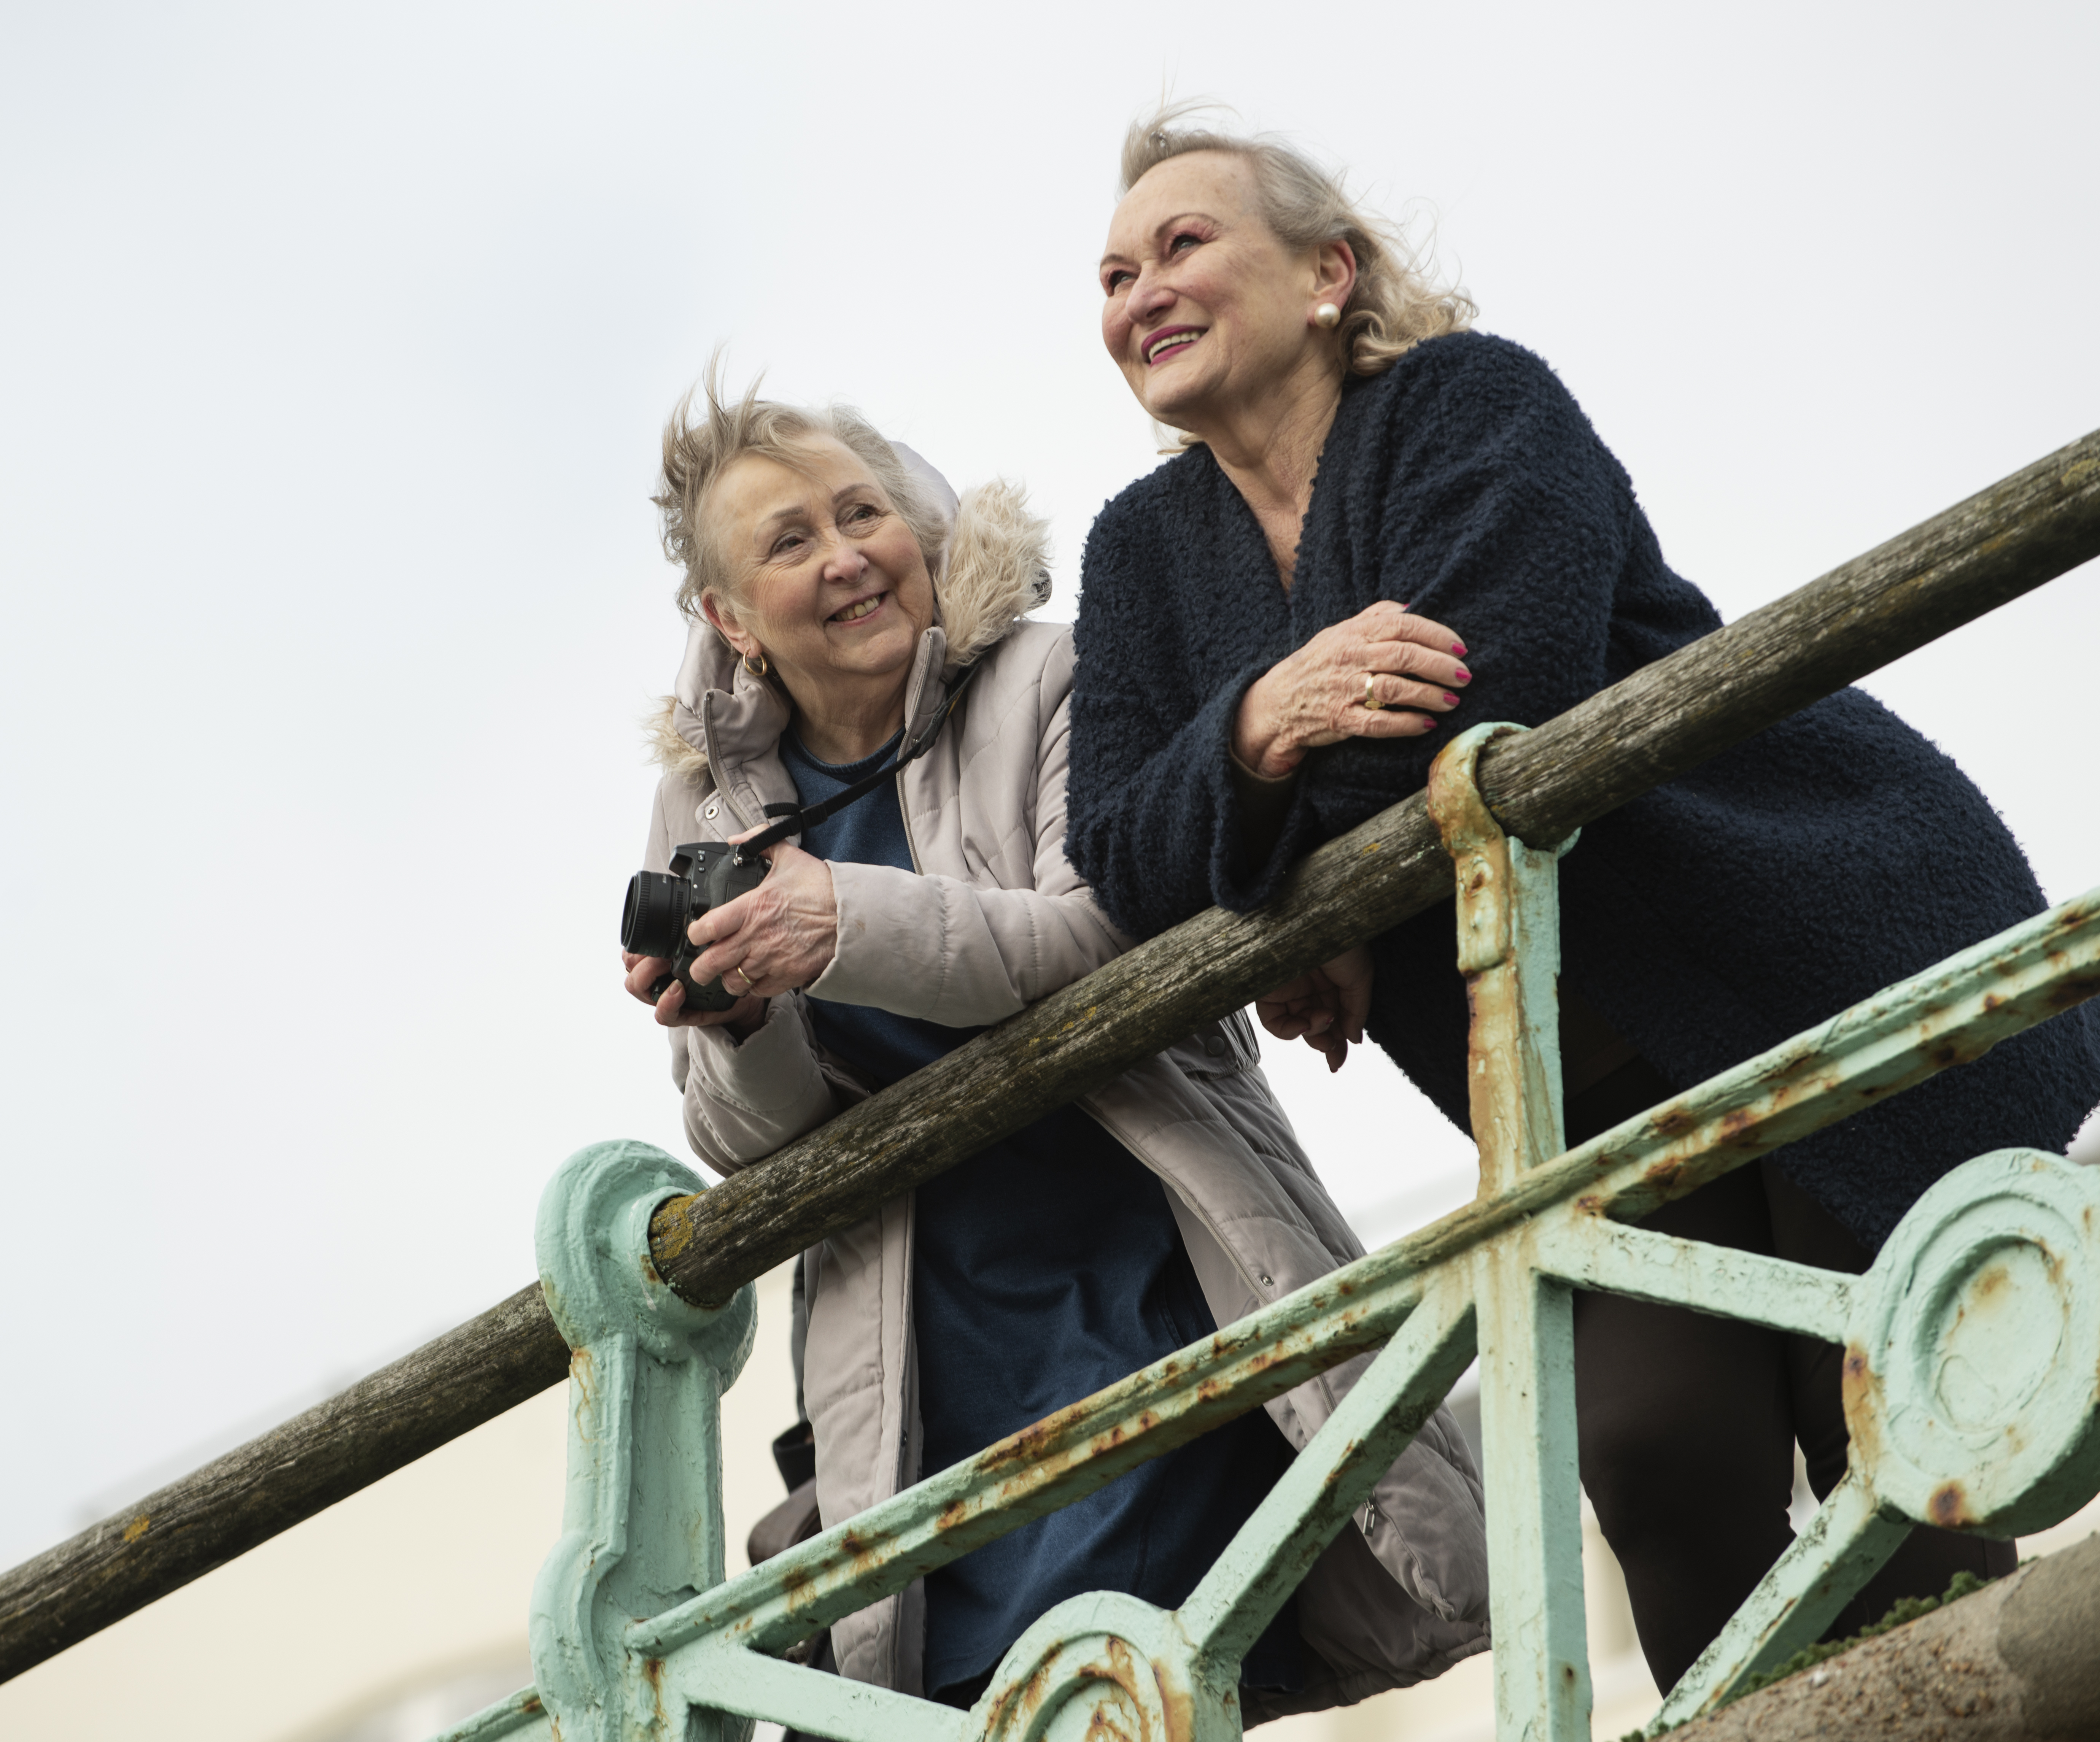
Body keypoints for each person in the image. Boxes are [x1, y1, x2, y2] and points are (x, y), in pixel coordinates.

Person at [1062, 105, 2100, 1693]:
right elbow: (1120, 859)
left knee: (1884, 1411)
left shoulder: (1475, 401)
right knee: (1650, 1450)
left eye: (1182, 244)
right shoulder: (1141, 552)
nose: (1141, 290)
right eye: (1113, 274)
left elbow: (1493, 690)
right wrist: (1262, 724)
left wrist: (1273, 862)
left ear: (1329, 273)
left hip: (1807, 930)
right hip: (1588, 1075)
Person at [622, 372, 1490, 1717]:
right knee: (973, 1697)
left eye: (863, 513)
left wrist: (837, 920)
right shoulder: (705, 801)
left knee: (1120, 1674)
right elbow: (745, 1139)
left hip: (1138, 1275)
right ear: (729, 619)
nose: (846, 556)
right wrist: (738, 1023)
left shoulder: (1054, 673)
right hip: (910, 1362)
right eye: (790, 541)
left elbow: (1098, 932)